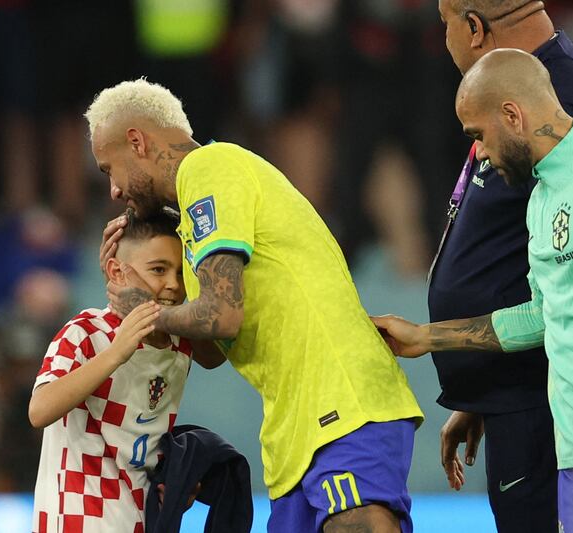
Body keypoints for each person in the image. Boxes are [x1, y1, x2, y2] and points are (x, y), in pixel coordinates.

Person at [86, 79, 423, 533]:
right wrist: (140, 279)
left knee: (358, 525)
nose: (114, 190)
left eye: (110, 169)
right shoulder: (195, 223)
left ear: (136, 141)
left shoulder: (209, 166)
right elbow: (208, 350)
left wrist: (140, 313)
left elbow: (220, 314)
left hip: (340, 402)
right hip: (295, 428)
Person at [375, 48, 573, 533]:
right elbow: (543, 315)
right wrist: (425, 337)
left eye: (479, 136)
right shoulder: (540, 199)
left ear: (513, 115)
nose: (478, 153)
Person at [428, 1, 573, 530]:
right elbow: (548, 301)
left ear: (473, 26)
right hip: (562, 429)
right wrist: (463, 372)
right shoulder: (538, 176)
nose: (482, 154)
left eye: (478, 138)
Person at [29, 208, 224, 533]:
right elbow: (39, 410)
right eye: (158, 269)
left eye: (180, 272)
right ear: (116, 273)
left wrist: (176, 483)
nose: (172, 285)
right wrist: (116, 353)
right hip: (75, 522)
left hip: (140, 521)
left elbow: (141, 442)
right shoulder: (86, 332)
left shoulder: (180, 347)